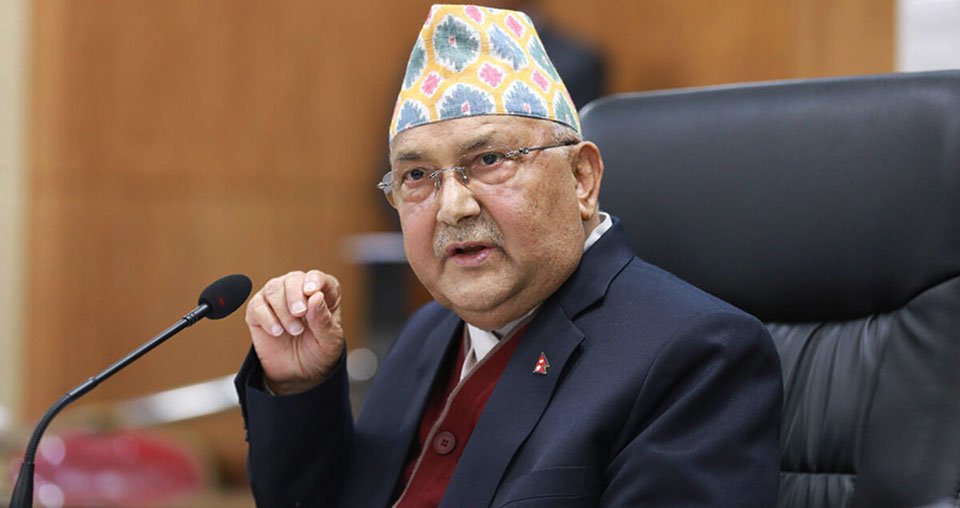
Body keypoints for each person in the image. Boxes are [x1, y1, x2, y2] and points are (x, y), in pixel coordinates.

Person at [235, 5, 782, 507]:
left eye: (490, 159)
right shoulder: (426, 333)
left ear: (581, 178)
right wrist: (299, 387)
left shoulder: (697, 353)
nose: (453, 207)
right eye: (417, 175)